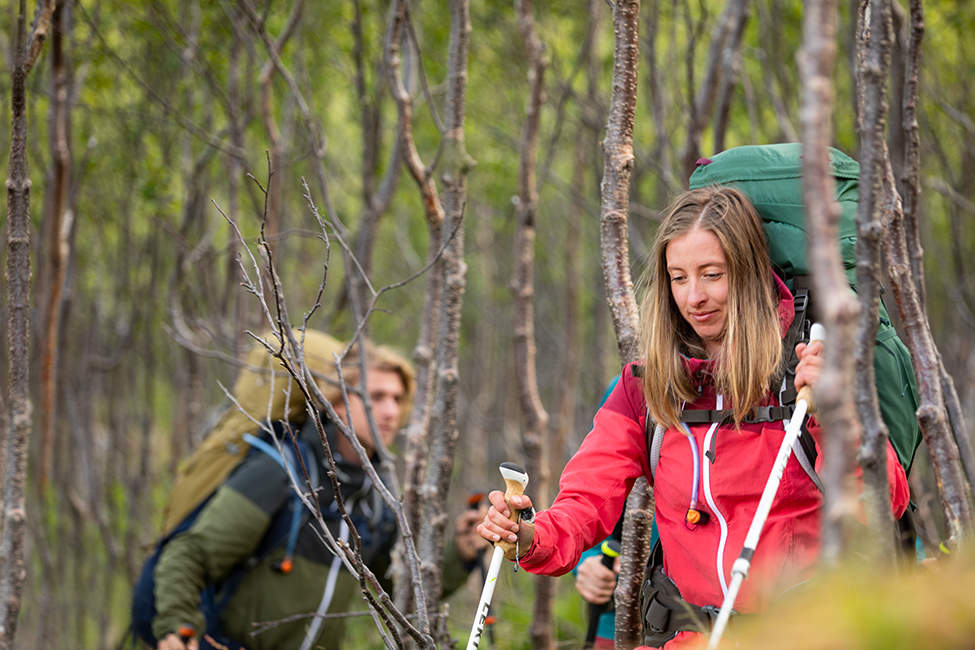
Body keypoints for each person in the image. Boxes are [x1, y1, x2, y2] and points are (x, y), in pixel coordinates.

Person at [478, 187, 910, 648]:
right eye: (678, 278)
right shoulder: (645, 388)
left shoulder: (808, 374)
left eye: (712, 274)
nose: (694, 297)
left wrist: (835, 414)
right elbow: (586, 501)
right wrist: (526, 536)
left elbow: (883, 504)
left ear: (748, 274)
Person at [151, 335, 486, 650]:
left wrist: (460, 553)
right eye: (376, 397)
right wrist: (178, 627)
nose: (391, 412)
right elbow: (190, 554)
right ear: (337, 404)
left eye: (397, 399)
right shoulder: (282, 471)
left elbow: (400, 591)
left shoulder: (375, 496)